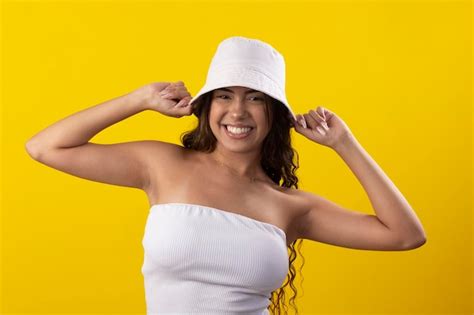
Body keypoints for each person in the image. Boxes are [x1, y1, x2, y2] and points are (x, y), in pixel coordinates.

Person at [25, 36, 426, 315]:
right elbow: (45, 147)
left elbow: (405, 235)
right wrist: (139, 100)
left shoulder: (290, 206)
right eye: (223, 95)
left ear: (276, 116)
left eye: (255, 98)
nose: (237, 112)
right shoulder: (163, 166)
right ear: (206, 106)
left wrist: (344, 144)